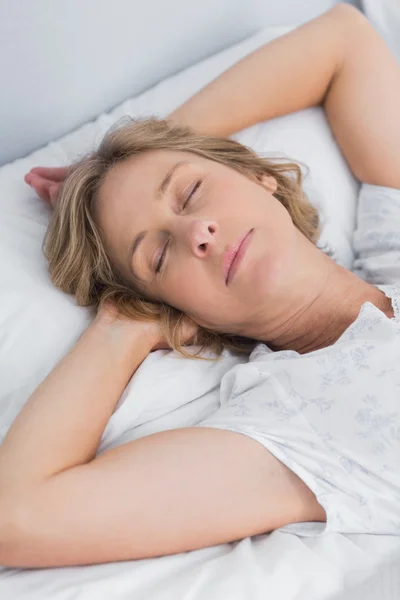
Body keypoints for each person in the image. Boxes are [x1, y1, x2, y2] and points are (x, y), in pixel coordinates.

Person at [1, 3, 400, 568]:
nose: (197, 233)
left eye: (191, 193)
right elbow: (18, 518)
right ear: (178, 311)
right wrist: (122, 327)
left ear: (262, 178)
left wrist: (162, 142)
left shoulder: (393, 243)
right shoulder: (294, 428)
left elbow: (344, 42)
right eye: (159, 255)